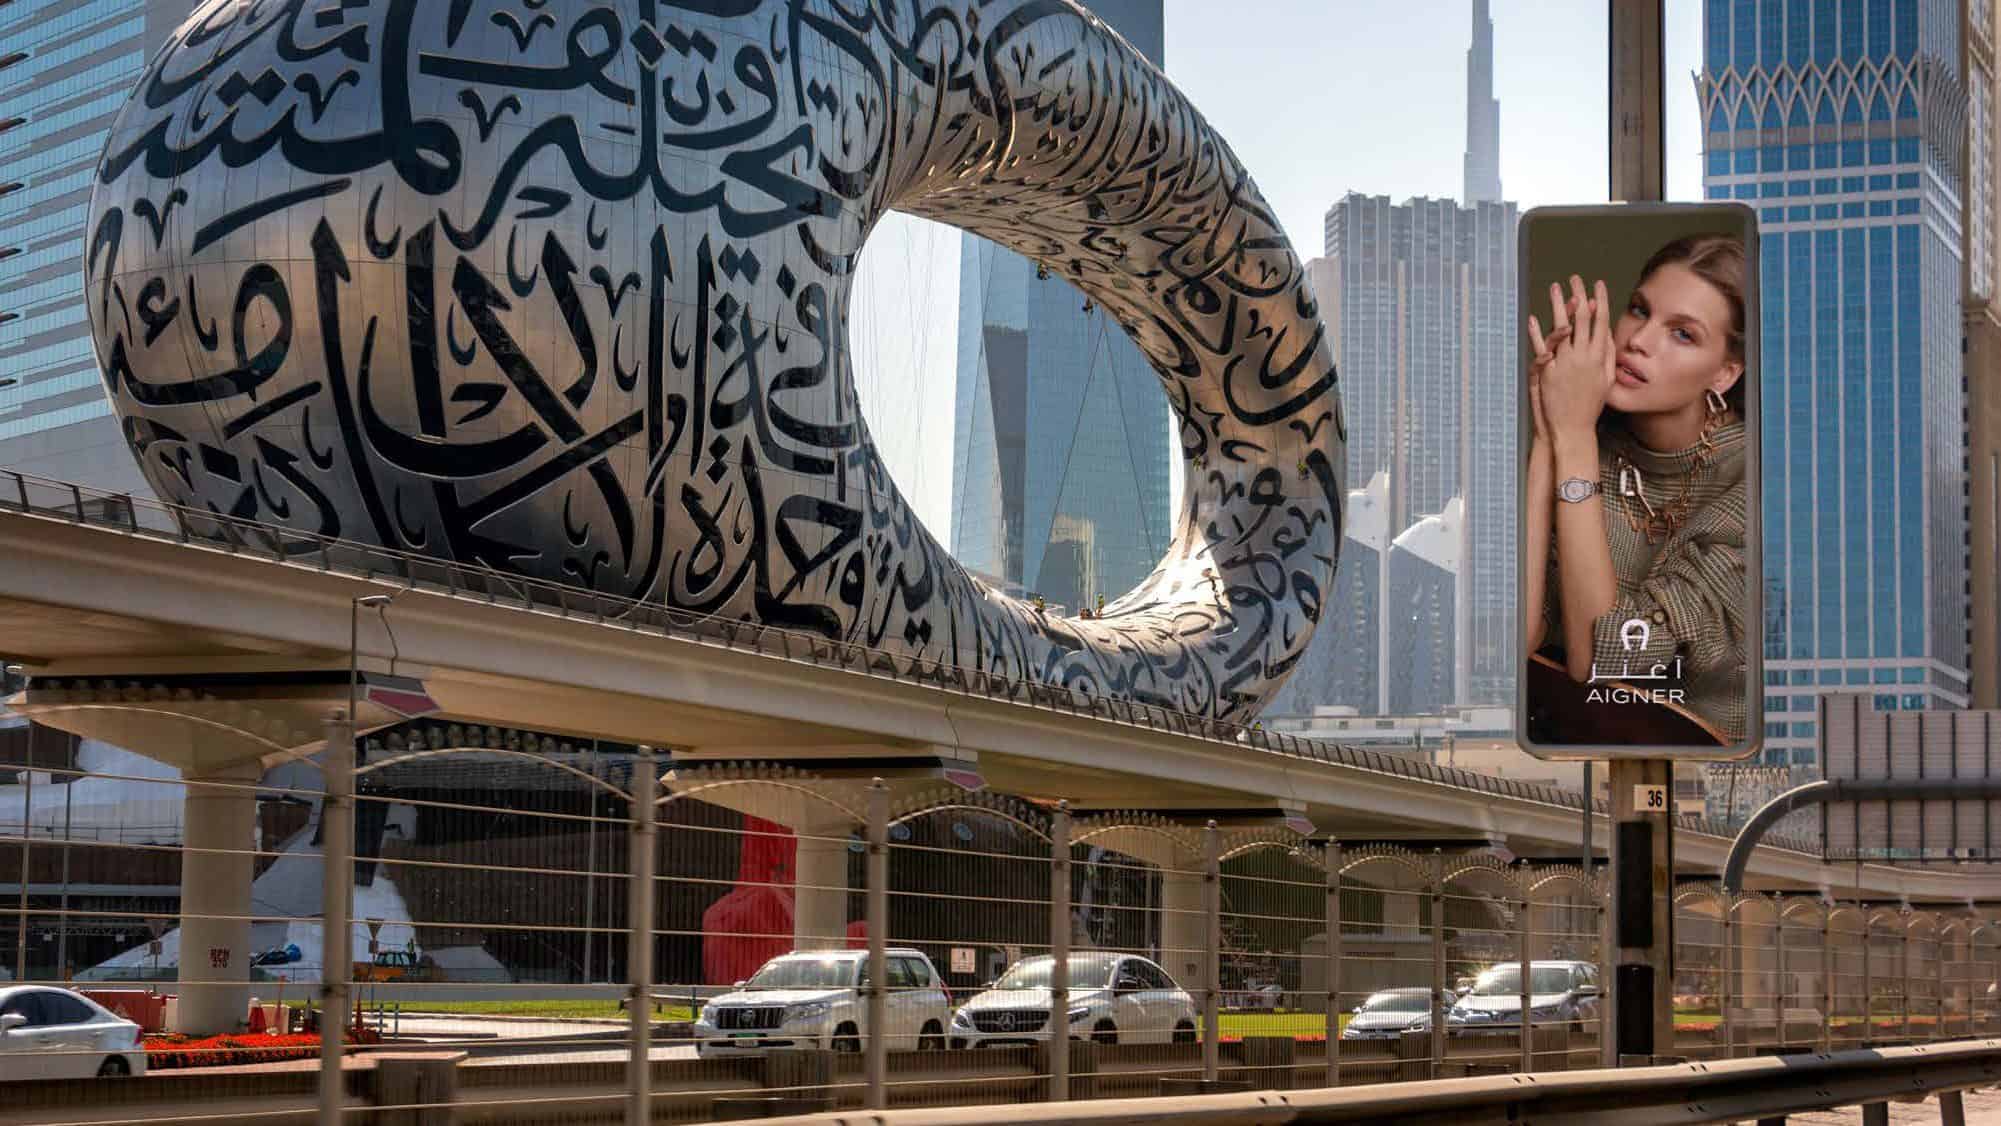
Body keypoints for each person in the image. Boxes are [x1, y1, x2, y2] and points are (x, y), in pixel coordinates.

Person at [1523, 233, 1749, 746]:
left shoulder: (1750, 485)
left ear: (1725, 373)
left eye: (1683, 334)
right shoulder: (1590, 442)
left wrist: (1574, 437)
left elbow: (1609, 661)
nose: (1639, 340)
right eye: (1638, 310)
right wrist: (1547, 437)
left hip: (1707, 784)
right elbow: (1517, 643)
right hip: (1584, 771)